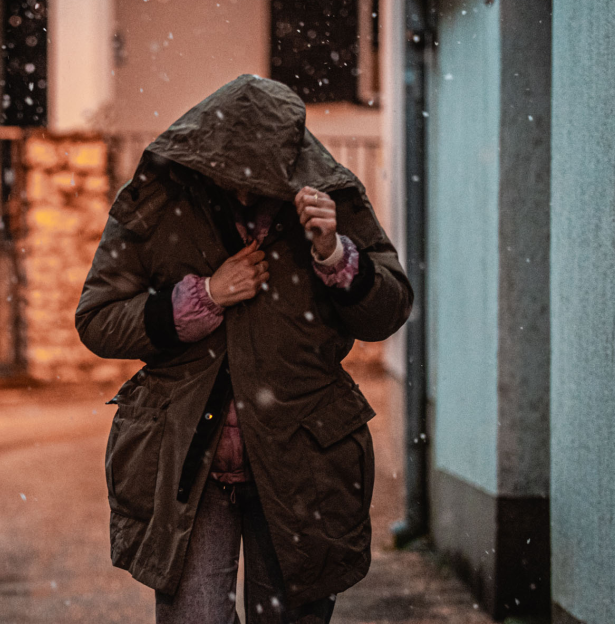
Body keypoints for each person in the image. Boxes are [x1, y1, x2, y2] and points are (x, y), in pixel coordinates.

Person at [75, 75, 413, 623]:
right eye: (227, 180)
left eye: (258, 184)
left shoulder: (329, 199)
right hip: (191, 461)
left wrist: (333, 256)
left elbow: (389, 311)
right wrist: (202, 298)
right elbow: (97, 319)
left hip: (301, 459)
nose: (242, 196)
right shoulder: (161, 199)